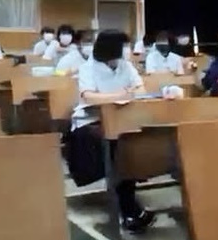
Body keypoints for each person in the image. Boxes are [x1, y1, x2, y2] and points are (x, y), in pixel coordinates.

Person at [67, 30, 156, 233]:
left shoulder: (126, 65)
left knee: (131, 144)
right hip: (90, 121)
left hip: (121, 118)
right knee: (117, 149)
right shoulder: (88, 68)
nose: (126, 51)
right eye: (122, 47)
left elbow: (140, 90)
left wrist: (121, 96)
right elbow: (89, 97)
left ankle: (131, 210)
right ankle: (130, 210)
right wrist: (121, 95)